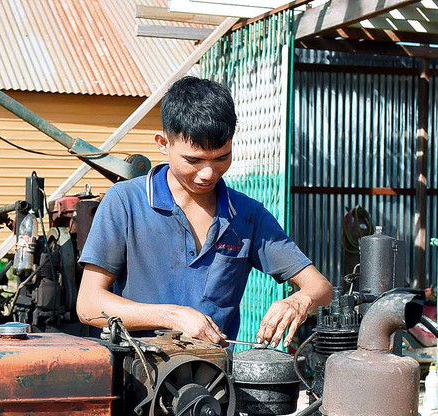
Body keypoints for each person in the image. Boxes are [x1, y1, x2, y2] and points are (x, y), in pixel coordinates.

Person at [76, 76, 332, 347]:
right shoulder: (125, 202)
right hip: (137, 376)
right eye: (193, 160)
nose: (208, 173)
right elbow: (89, 305)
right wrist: (171, 316)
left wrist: (299, 301)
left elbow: (321, 288)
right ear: (163, 143)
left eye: (222, 157)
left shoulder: (247, 215)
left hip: (216, 383)